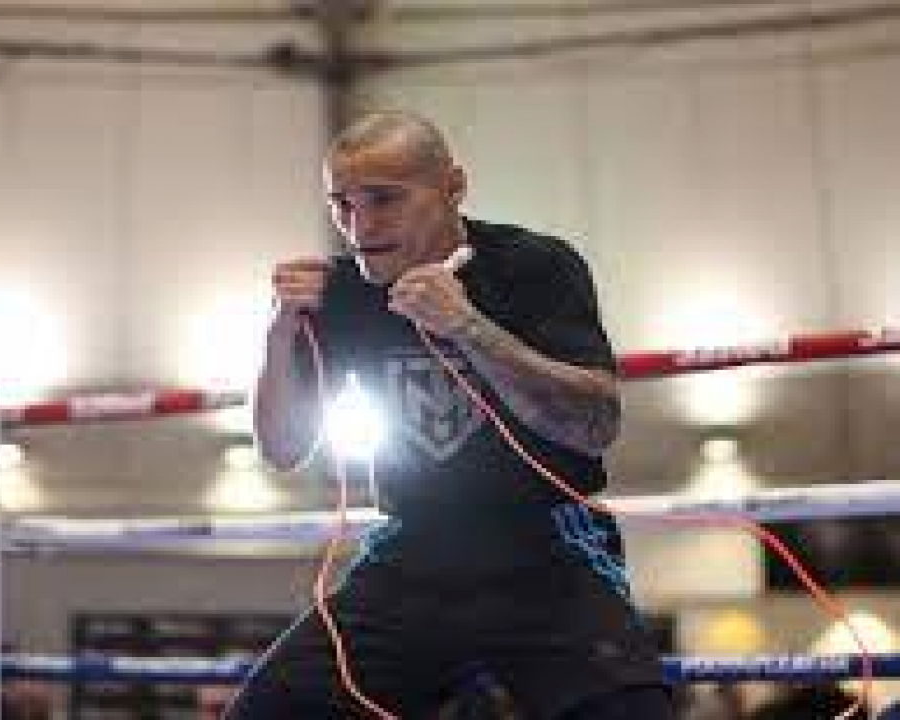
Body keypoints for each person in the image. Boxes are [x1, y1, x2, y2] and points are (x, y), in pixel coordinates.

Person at [226, 111, 672, 719]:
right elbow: (282, 449)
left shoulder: (532, 266)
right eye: (342, 205)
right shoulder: (343, 292)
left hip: (545, 546)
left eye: (384, 200)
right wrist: (279, 334)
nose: (361, 226)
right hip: (413, 549)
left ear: (452, 187)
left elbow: (595, 425)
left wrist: (468, 327)